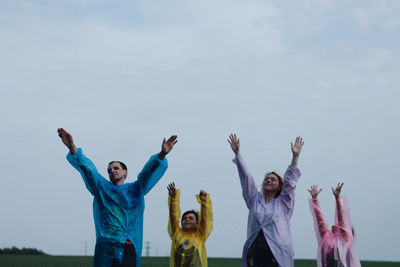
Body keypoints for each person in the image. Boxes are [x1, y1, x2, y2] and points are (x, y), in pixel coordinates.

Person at [57, 128, 177, 267]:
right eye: (109, 170)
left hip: (128, 245)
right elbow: (88, 169)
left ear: (125, 172)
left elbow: (148, 172)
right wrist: (72, 147)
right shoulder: (102, 188)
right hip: (106, 245)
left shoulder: (136, 189)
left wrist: (162, 154)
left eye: (115, 168)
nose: (112, 171)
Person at [228, 134, 304, 267]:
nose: (268, 180)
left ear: (280, 185)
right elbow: (247, 177)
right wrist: (237, 152)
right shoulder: (254, 200)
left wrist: (295, 157)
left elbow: (290, 182)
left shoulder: (283, 203)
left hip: (276, 254)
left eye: (273, 179)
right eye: (266, 178)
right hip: (255, 253)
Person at [308, 183, 361, 267]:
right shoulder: (327, 238)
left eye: (343, 228)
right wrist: (315, 199)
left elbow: (341, 218)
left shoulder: (344, 240)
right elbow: (320, 220)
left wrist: (337, 199)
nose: (336, 225)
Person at [167, 182, 213, 267]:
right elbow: (173, 215)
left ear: (197, 223)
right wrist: (173, 198)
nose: (187, 219)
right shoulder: (177, 233)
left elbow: (204, 218)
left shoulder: (200, 235)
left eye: (191, 218)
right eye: (184, 218)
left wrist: (204, 202)